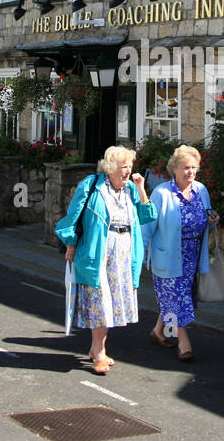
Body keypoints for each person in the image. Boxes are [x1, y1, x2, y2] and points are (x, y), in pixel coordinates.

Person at [56, 146, 156, 375]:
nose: (127, 172)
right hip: (98, 251)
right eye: (123, 167)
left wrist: (141, 189)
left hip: (123, 254)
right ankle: (98, 352)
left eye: (130, 167)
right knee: (101, 303)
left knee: (112, 304)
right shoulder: (91, 186)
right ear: (111, 168)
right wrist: (70, 244)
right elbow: (73, 216)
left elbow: (147, 216)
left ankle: (96, 349)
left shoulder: (131, 188)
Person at [145, 145, 219, 362]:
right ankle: (184, 342)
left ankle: (159, 331)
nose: (191, 172)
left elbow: (206, 217)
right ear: (174, 169)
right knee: (177, 297)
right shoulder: (161, 194)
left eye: (194, 167)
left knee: (178, 295)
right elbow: (146, 226)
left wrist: (212, 221)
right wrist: (136, 257)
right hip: (168, 255)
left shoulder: (201, 190)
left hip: (192, 255)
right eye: (186, 167)